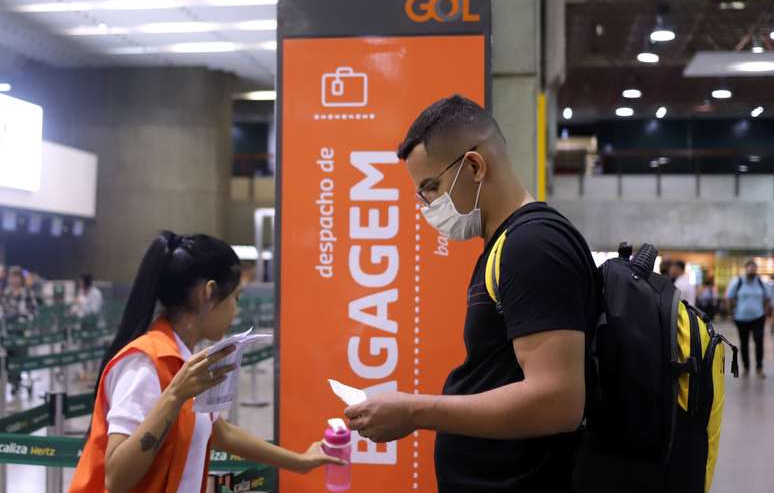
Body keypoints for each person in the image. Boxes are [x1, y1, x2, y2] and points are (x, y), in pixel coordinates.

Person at [344, 96, 597, 492]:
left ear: (475, 166)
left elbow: (558, 400)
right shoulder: (505, 244)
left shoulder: (533, 247)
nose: (427, 206)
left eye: (432, 187)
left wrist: (414, 411)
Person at [70, 231, 343, 492]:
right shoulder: (145, 363)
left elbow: (220, 431)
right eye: (235, 297)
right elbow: (116, 477)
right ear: (208, 293)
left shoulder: (185, 359)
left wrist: (301, 461)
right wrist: (174, 396)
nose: (236, 310)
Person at [726, 260, 770, 378]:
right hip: (741, 318)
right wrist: (732, 314)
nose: (752, 270)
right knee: (744, 343)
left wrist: (765, 312)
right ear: (745, 269)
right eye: (750, 268)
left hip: (758, 317)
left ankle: (759, 368)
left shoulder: (761, 283)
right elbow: (729, 298)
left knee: (759, 342)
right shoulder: (738, 282)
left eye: (754, 268)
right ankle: (746, 367)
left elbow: (767, 298)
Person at [0, 266, 39, 394]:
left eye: (15, 277)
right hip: (7, 331)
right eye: (11, 277)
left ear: (20, 278)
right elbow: (4, 310)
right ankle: (10, 380)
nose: (13, 280)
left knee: (18, 358)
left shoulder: (27, 292)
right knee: (7, 358)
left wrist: (23, 318)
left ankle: (16, 382)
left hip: (22, 332)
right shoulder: (6, 292)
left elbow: (34, 312)